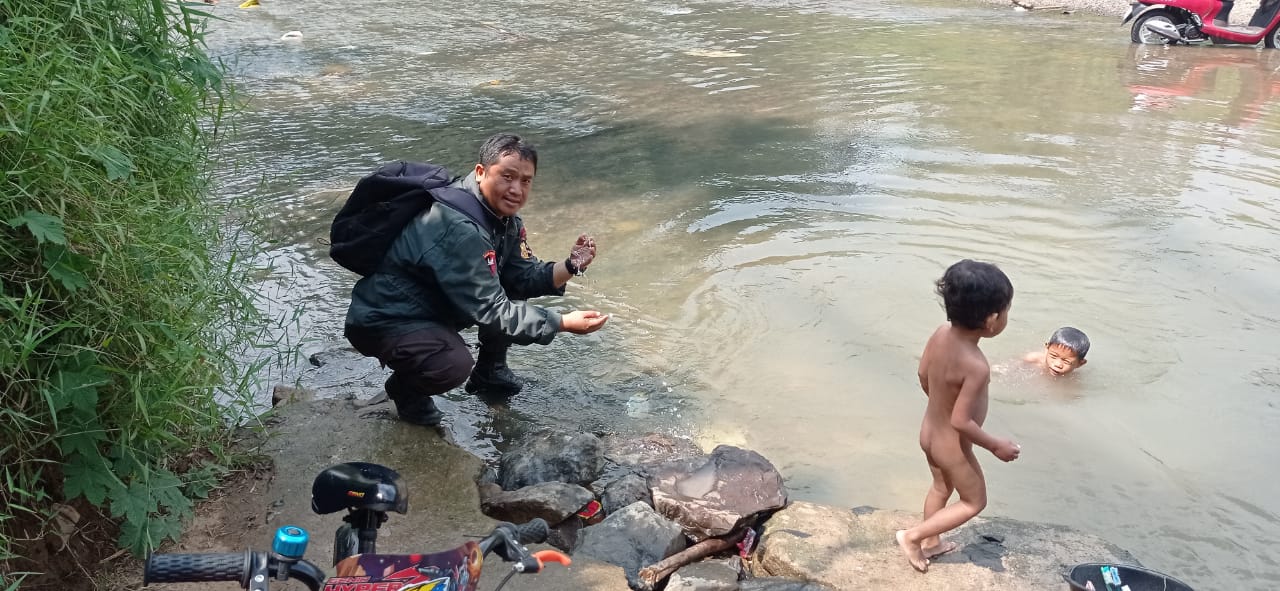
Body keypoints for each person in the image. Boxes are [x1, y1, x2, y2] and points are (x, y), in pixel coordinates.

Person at [343, 133, 609, 426]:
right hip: (387, 318)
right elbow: (493, 312)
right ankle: (405, 391)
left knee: (507, 288)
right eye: (507, 176)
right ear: (481, 172)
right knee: (452, 365)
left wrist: (570, 266)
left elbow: (521, 277)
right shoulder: (459, 227)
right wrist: (563, 323)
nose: (516, 189)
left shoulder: (502, 218)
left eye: (526, 181)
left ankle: (490, 371)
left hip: (427, 310)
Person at [896, 259, 1021, 573]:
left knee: (941, 488)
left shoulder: (940, 334)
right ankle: (914, 537)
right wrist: (995, 445)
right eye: (1007, 310)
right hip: (952, 444)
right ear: (992, 320)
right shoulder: (976, 365)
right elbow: (961, 422)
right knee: (974, 501)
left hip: (929, 431)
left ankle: (931, 542)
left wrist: (940, 401)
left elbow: (923, 374)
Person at [1023, 326, 1089, 377]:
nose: (1057, 364)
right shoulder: (1033, 360)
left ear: (1080, 364)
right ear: (1047, 348)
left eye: (1066, 361)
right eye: (1054, 356)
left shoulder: (1075, 379)